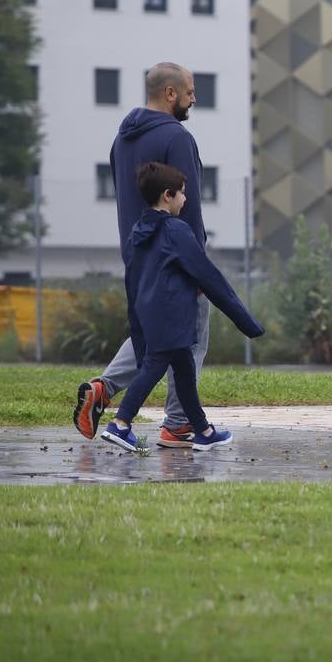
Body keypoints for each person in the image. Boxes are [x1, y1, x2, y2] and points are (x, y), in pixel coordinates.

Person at [74, 62, 213, 448]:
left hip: (138, 251)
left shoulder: (122, 138)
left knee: (152, 332)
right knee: (190, 337)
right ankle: (179, 424)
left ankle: (103, 389)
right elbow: (191, 205)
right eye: (189, 92)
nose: (193, 99)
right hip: (175, 252)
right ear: (170, 94)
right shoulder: (177, 137)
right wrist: (197, 263)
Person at [100, 163, 264, 452]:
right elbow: (207, 275)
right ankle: (121, 423)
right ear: (167, 195)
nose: (185, 200)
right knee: (153, 368)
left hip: (150, 312)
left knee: (185, 372)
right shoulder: (176, 230)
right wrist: (246, 321)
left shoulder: (139, 232)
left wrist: (137, 316)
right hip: (174, 314)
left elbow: (133, 278)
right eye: (182, 194)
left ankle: (203, 430)